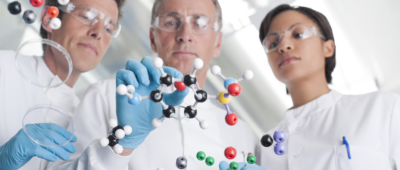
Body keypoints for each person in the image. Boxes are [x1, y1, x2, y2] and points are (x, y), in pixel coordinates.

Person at [47, 0, 259, 169]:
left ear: (218, 43)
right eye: (170, 23)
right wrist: (121, 147)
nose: (185, 35)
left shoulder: (242, 134)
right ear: (152, 37)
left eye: (200, 24)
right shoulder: (105, 95)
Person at [256, 4, 400, 170]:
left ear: (328, 48)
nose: (283, 46)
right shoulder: (266, 148)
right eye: (273, 44)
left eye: (298, 34)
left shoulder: (382, 108)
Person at [0, 0, 125, 169]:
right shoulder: (3, 67)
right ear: (48, 18)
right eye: (87, 16)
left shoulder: (87, 122)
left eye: (109, 28)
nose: (98, 33)